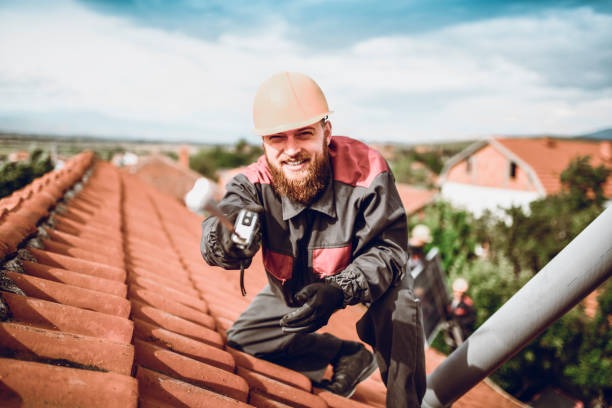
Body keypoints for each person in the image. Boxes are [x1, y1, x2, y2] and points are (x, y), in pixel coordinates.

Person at [200, 71, 426, 407]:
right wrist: (228, 242)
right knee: (244, 340)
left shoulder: (368, 170)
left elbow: (388, 251)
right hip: (294, 288)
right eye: (277, 138)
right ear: (264, 143)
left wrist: (339, 290)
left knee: (401, 309)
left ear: (326, 132)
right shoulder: (250, 184)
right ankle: (346, 355)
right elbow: (223, 225)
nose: (291, 150)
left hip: (368, 285)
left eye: (303, 134)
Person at [446, 277, 476, 347]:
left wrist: (459, 323)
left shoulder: (467, 304)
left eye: (459, 291)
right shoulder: (450, 302)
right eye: (455, 291)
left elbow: (472, 318)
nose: (456, 293)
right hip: (452, 334)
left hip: (463, 335)